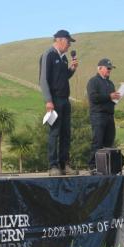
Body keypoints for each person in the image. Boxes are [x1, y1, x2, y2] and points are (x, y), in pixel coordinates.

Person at [39, 30, 79, 176]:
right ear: (60, 40)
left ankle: (64, 164)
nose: (69, 46)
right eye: (68, 42)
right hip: (54, 100)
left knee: (66, 133)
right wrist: (48, 100)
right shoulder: (49, 55)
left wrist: (72, 70)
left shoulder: (64, 58)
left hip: (65, 99)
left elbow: (63, 77)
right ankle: (52, 165)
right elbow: (43, 80)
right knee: (54, 133)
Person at [86, 58, 121, 175]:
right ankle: (92, 166)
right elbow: (93, 98)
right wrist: (109, 96)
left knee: (109, 142)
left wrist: (115, 98)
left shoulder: (110, 83)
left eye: (111, 69)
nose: (110, 70)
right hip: (98, 115)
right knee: (98, 141)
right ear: (100, 68)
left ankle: (106, 166)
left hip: (109, 115)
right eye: (108, 68)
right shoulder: (93, 81)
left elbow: (110, 98)